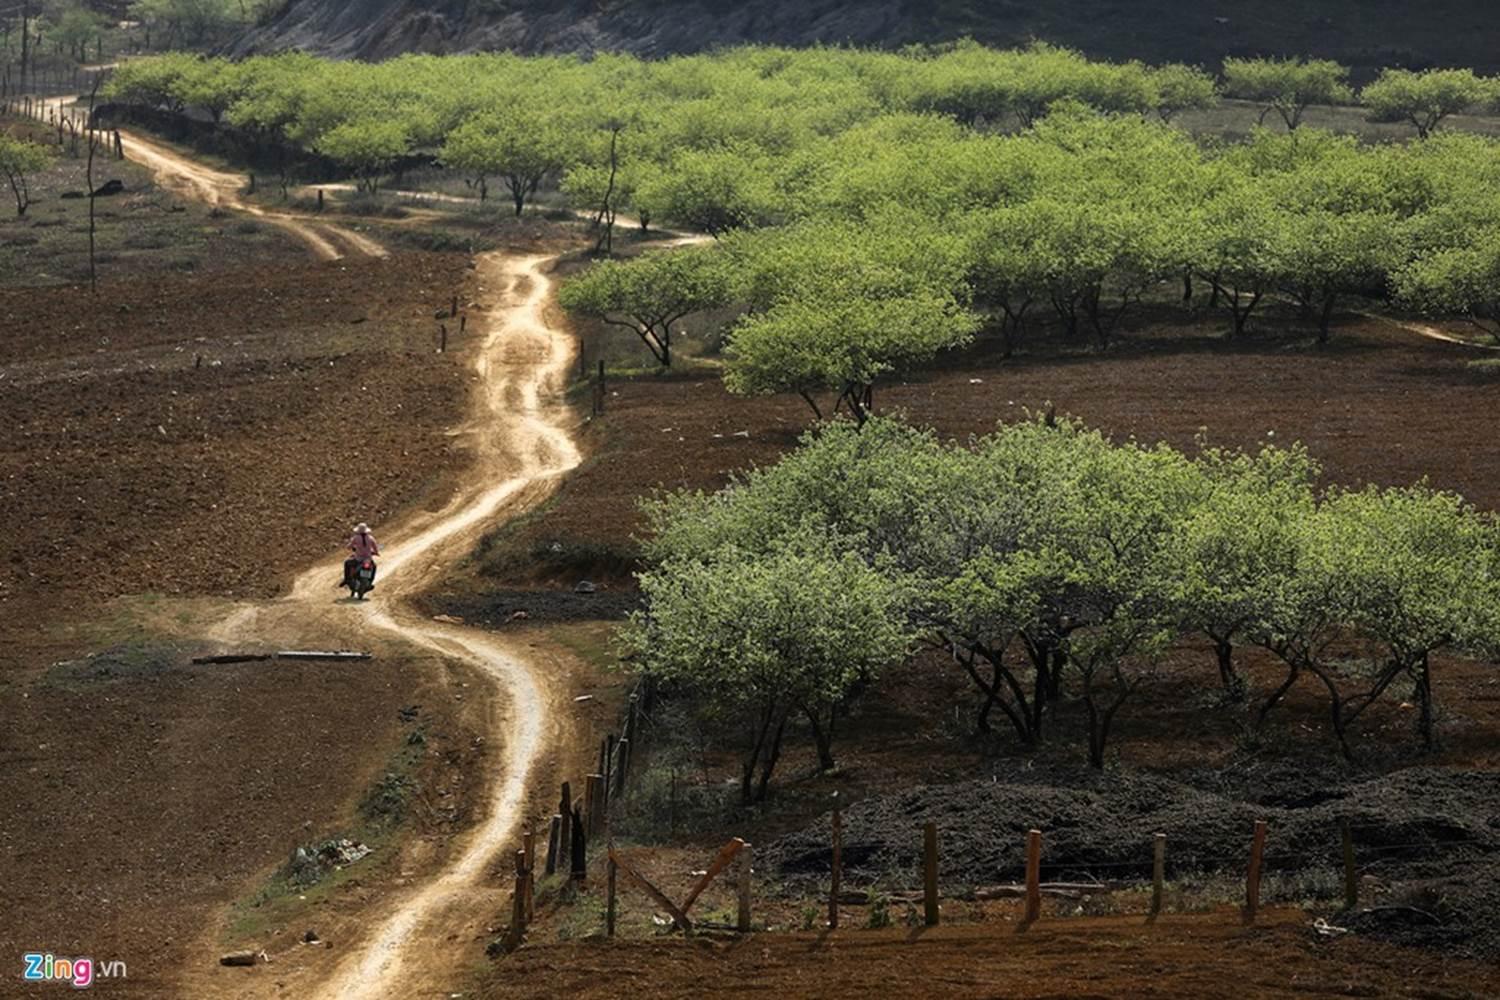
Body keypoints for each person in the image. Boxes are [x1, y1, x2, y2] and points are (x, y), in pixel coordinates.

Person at [342, 522, 380, 590]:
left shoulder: (355, 538)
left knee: (347, 563)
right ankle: (370, 582)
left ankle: (346, 579)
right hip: (368, 559)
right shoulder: (371, 538)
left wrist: (349, 547)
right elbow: (375, 547)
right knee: (374, 567)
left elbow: (349, 546)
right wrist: (376, 553)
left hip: (358, 559)